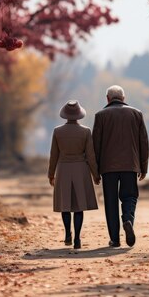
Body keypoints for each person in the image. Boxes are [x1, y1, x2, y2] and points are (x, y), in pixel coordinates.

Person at [92, 85, 149, 248]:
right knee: (130, 196)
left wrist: (95, 171)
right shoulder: (136, 114)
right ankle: (128, 220)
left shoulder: (100, 115)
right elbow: (143, 143)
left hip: (107, 167)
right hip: (130, 165)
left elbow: (95, 145)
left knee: (110, 202)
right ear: (123, 99)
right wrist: (143, 167)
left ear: (107, 99)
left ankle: (115, 239)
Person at [48, 100, 100, 249]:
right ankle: (77, 238)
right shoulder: (85, 131)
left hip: (63, 169)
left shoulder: (58, 131)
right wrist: (95, 174)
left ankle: (67, 234)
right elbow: (90, 156)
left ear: (65, 115)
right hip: (80, 170)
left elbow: (54, 155)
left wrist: (51, 174)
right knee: (79, 206)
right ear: (79, 115)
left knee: (65, 205)